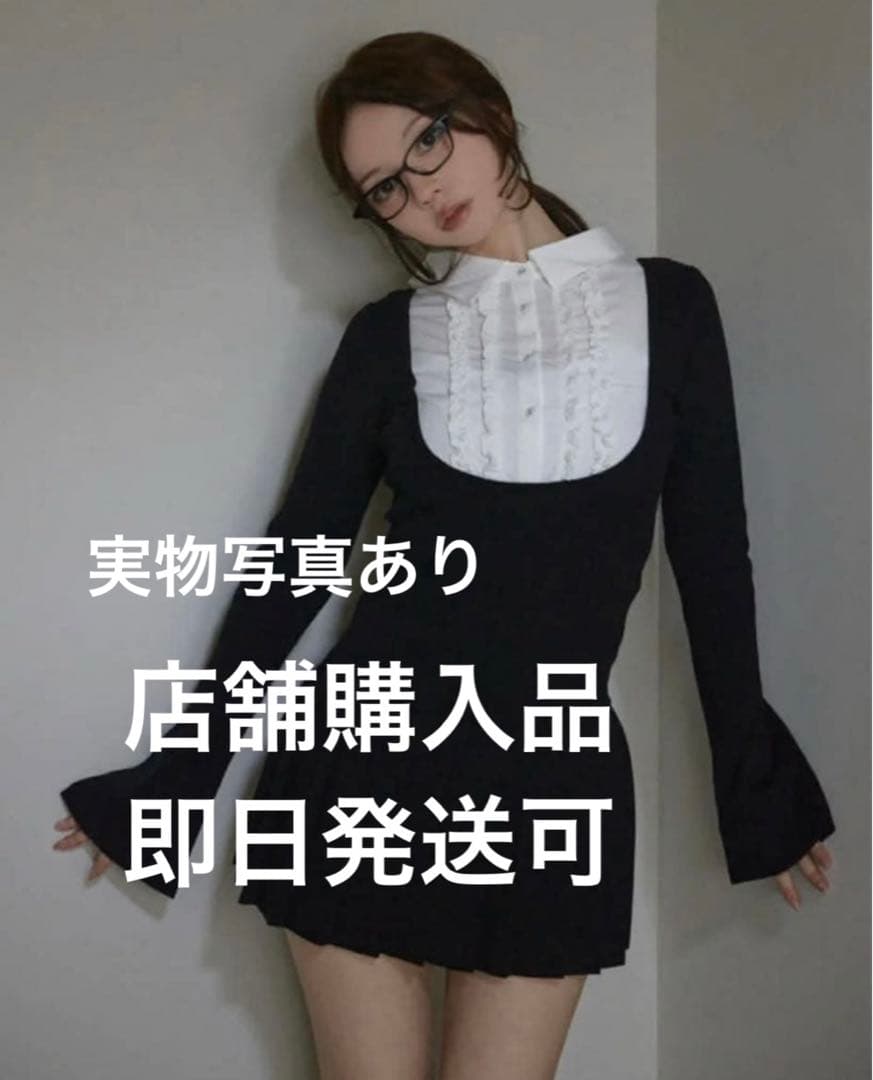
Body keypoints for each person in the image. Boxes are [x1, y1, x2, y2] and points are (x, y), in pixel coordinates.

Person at [53, 30, 836, 1080]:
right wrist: (176, 781)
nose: (420, 189)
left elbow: (713, 559)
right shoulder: (387, 338)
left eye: (428, 141)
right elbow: (296, 562)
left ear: (488, 112)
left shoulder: (673, 306)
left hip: (550, 782)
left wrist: (756, 786)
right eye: (383, 187)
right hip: (357, 773)